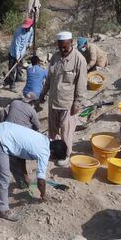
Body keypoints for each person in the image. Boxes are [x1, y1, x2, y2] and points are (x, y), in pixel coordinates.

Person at [0, 120, 67, 221]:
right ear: (52, 152)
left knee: (13, 164)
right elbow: (41, 181)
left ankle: (21, 182)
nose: (51, 160)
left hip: (4, 130)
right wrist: (43, 195)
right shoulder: (44, 152)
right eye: (54, 158)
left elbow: (21, 154)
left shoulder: (44, 139)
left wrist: (25, 176)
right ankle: (3, 210)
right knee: (3, 178)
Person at [39, 31, 88, 166]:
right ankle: (55, 151)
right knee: (53, 131)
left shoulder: (79, 60)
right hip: (53, 102)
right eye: (60, 46)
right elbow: (49, 79)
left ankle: (65, 154)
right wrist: (43, 93)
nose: (62, 49)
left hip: (68, 104)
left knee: (66, 132)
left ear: (71, 42)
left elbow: (82, 84)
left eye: (64, 47)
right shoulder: (55, 57)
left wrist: (77, 103)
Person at [6, 18, 35, 90]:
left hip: (22, 52)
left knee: (20, 66)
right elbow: (17, 45)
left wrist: (30, 43)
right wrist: (17, 57)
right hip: (14, 53)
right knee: (12, 69)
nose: (27, 28)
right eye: (26, 27)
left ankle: (18, 77)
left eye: (28, 27)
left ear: (31, 25)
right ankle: (11, 84)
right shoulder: (18, 32)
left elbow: (31, 36)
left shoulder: (31, 29)